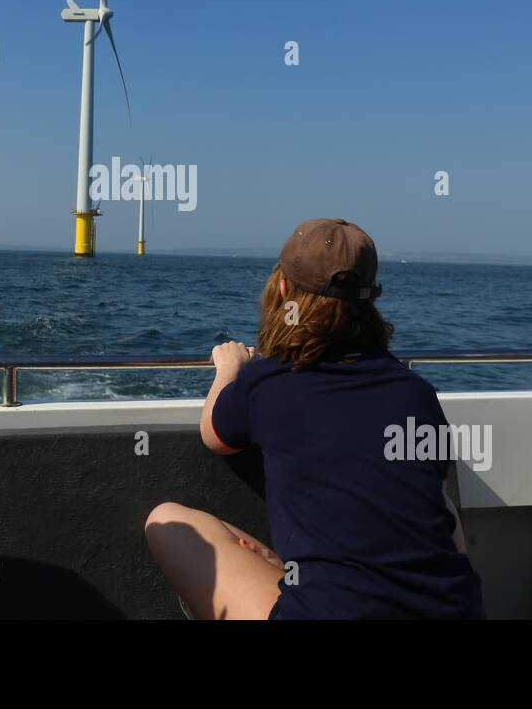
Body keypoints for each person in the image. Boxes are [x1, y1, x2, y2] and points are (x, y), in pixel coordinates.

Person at [145, 218, 486, 619]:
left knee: (165, 520)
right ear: (372, 300)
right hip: (453, 609)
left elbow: (216, 434)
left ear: (283, 289)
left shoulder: (269, 382)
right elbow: (442, 512)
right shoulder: (416, 391)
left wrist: (228, 367)